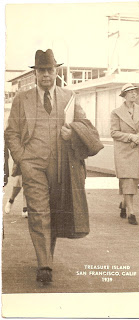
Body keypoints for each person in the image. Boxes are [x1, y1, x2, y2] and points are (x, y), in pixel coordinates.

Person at [5, 49, 103, 284]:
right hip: (33, 166)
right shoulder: (22, 99)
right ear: (35, 73)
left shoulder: (69, 97)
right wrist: (22, 159)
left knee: (55, 213)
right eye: (41, 70)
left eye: (50, 69)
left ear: (56, 71)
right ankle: (45, 264)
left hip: (61, 166)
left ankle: (46, 257)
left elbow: (86, 126)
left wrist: (73, 134)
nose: (46, 74)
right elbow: (12, 133)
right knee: (39, 212)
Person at [111, 83, 139, 225]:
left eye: (135, 92)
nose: (134, 94)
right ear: (124, 95)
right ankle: (131, 212)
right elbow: (114, 132)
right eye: (130, 92)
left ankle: (123, 204)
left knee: (136, 181)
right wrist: (131, 137)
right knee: (128, 180)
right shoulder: (116, 112)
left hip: (138, 149)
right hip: (124, 151)